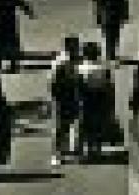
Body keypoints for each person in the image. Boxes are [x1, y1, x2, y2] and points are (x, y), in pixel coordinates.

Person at [76, 42, 118, 159]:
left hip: (88, 98)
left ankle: (88, 149)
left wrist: (79, 99)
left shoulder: (81, 68)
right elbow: (109, 86)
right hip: (100, 98)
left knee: (87, 124)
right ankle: (96, 148)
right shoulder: (103, 67)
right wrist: (110, 101)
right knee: (98, 123)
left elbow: (79, 86)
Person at [48, 36, 82, 166]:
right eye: (75, 47)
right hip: (63, 97)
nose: (77, 49)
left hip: (69, 96)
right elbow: (54, 82)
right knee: (61, 126)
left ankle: (65, 150)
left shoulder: (70, 60)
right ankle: (56, 154)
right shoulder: (62, 62)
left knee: (68, 124)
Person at [91, 0, 129, 64]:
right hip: (111, 16)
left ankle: (110, 53)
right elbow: (124, 3)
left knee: (111, 35)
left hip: (109, 16)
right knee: (113, 35)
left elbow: (97, 2)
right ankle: (111, 53)